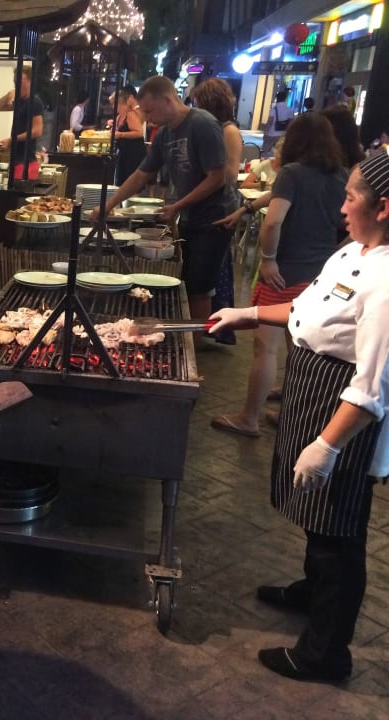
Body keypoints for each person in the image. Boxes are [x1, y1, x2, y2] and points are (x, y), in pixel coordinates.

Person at [206, 147, 389, 683]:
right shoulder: (351, 251)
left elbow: (374, 386)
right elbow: (308, 306)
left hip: (341, 408)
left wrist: (328, 444)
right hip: (310, 390)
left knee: (339, 534)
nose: (342, 208)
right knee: (318, 519)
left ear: (384, 207)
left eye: (352, 197)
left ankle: (326, 654)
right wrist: (248, 312)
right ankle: (312, 594)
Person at [211, 112, 347, 437]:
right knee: (299, 347)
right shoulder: (341, 175)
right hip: (320, 274)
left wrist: (269, 259)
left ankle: (249, 418)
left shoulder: (291, 173)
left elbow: (273, 222)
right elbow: (344, 226)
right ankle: (293, 416)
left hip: (284, 274)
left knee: (265, 347)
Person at [90, 75, 236, 324]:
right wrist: (108, 205)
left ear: (168, 100)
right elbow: (140, 176)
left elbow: (218, 178)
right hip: (191, 214)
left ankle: (195, 347)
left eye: (149, 110)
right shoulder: (164, 135)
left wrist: (178, 206)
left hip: (215, 216)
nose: (146, 118)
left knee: (200, 285)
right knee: (190, 279)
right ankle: (192, 336)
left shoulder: (203, 124)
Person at [191, 78, 243, 346]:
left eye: (199, 102)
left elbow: (230, 174)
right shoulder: (213, 128)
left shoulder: (228, 131)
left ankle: (206, 333)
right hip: (209, 207)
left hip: (221, 208)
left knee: (211, 274)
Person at [0, 66, 44, 180]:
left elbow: (37, 131)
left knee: (19, 196)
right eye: (16, 82)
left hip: (27, 163)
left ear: (31, 81)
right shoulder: (19, 101)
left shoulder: (35, 102)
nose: (18, 85)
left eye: (21, 82)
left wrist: (12, 139)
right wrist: (10, 93)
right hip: (16, 160)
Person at [112, 85, 146, 186]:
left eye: (114, 104)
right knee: (122, 182)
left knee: (131, 184)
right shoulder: (121, 115)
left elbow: (139, 133)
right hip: (125, 152)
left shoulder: (131, 113)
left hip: (133, 153)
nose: (113, 107)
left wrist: (121, 134)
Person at [263, 89, 293, 156]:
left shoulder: (274, 110)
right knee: (279, 153)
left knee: (265, 151)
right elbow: (290, 124)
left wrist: (265, 132)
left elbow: (270, 122)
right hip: (282, 134)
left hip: (271, 133)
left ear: (277, 98)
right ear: (285, 99)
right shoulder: (290, 110)